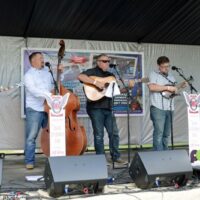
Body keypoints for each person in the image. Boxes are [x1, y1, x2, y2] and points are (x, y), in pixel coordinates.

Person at [78, 54, 126, 164]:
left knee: (114, 133)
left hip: (108, 108)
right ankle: (100, 158)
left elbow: (116, 91)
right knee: (99, 134)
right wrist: (96, 82)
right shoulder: (91, 72)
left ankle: (116, 156)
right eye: (104, 61)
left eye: (108, 61)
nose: (107, 63)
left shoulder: (111, 75)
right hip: (95, 108)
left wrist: (129, 87)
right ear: (98, 62)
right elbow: (80, 77)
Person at [24, 52, 61, 169]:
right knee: (31, 137)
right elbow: (33, 90)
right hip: (35, 109)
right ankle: (29, 161)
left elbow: (55, 85)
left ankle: (53, 159)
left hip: (48, 107)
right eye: (40, 58)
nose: (42, 60)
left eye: (43, 58)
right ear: (33, 61)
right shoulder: (28, 75)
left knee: (52, 134)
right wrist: (48, 94)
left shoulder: (47, 72)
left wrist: (60, 73)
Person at [148, 56, 178, 151]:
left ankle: (166, 154)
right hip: (157, 108)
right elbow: (152, 87)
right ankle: (158, 156)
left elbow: (172, 91)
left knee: (166, 134)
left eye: (168, 66)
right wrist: (168, 88)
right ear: (158, 66)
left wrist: (179, 87)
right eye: (164, 66)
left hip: (169, 108)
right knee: (159, 133)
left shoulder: (171, 77)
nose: (166, 68)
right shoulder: (153, 74)